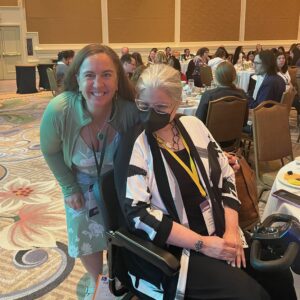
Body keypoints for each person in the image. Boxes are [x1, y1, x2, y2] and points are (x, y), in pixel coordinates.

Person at [114, 64, 296, 300]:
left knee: (277, 272)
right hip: (179, 249)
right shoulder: (134, 144)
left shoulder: (193, 126)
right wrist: (204, 244)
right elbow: (138, 214)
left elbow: (226, 175)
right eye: (144, 106)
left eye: (160, 107)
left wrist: (231, 232)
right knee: (250, 294)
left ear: (177, 104)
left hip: (221, 230)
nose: (150, 114)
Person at [40, 44, 140, 299]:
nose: (98, 84)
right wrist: (68, 187)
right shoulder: (60, 110)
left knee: (124, 235)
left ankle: (122, 276)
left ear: (119, 79)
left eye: (107, 74)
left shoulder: (129, 112)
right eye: (89, 75)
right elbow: (50, 150)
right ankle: (100, 284)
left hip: (118, 183)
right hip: (81, 182)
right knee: (85, 232)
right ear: (77, 79)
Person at [196, 61, 249, 127]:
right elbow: (244, 122)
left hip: (210, 136)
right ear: (234, 76)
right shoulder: (242, 94)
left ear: (216, 77)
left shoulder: (208, 95)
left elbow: (198, 121)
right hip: (234, 135)